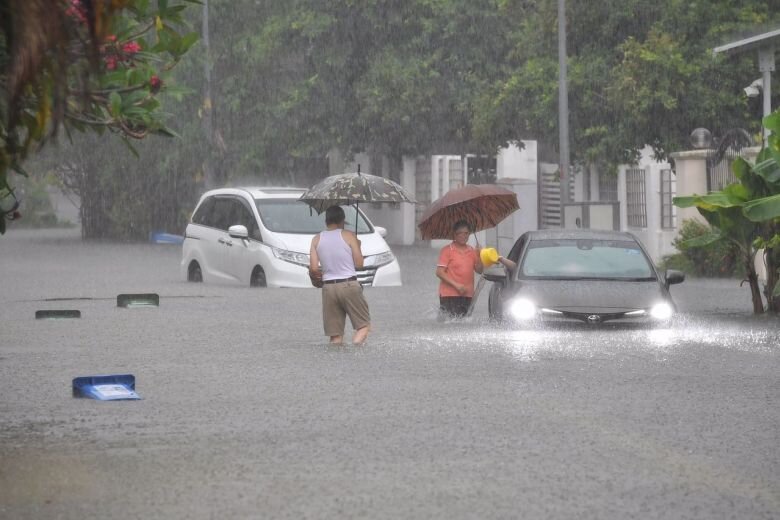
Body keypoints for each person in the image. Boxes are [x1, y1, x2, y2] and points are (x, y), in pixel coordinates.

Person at [309, 205, 371, 344]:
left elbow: (313, 269)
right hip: (349, 285)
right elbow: (359, 264)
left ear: (327, 221)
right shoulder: (349, 235)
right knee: (364, 327)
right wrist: (358, 245)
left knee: (335, 337)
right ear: (342, 220)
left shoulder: (316, 239)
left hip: (329, 289)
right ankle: (356, 351)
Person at [435, 220, 516, 318]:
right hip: (449, 294)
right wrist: (456, 285)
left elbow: (479, 270)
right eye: (460, 233)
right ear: (454, 234)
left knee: (463, 323)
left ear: (469, 234)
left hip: (467, 294)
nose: (463, 236)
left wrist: (479, 256)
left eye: (466, 233)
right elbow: (439, 272)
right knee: (450, 323)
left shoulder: (472, 251)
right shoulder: (447, 250)